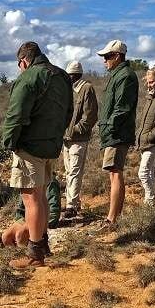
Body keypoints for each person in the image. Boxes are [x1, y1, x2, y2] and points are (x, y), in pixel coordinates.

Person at [1, 41, 74, 269]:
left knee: (31, 199)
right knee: (41, 197)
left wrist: (9, 142)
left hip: (29, 146)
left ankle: (34, 255)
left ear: (23, 61)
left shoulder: (29, 77)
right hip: (50, 146)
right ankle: (43, 246)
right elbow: (69, 111)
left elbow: (16, 114)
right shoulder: (61, 76)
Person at [96, 39, 139, 226]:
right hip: (114, 132)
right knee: (113, 172)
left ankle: (112, 219)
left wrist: (109, 128)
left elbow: (122, 108)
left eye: (107, 57)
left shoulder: (125, 76)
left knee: (115, 173)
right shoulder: (118, 74)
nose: (104, 60)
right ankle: (113, 217)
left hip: (117, 133)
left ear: (117, 56)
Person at [60, 60, 98, 219]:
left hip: (78, 138)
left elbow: (90, 117)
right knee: (69, 172)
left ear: (74, 75)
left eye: (69, 75)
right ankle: (73, 203)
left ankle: (71, 206)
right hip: (67, 138)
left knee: (74, 171)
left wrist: (73, 131)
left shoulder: (86, 88)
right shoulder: (69, 90)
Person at [138, 64, 155, 206]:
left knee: (143, 173)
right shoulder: (151, 97)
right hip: (145, 141)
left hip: (154, 142)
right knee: (149, 173)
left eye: (152, 81)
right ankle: (152, 205)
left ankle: (150, 202)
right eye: (148, 81)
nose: (149, 84)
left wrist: (151, 135)